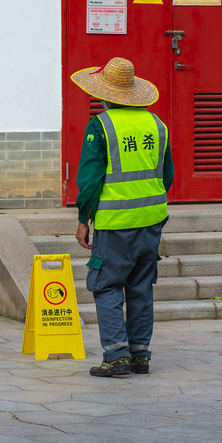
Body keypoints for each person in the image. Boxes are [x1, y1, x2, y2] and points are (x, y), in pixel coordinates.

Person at [71, 57, 175, 378]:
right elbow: (166, 175)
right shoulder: (157, 125)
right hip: (152, 221)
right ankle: (140, 354)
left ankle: (116, 355)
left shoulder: (100, 126)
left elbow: (89, 180)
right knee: (141, 286)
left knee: (107, 285)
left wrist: (83, 219)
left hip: (115, 224)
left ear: (105, 95)